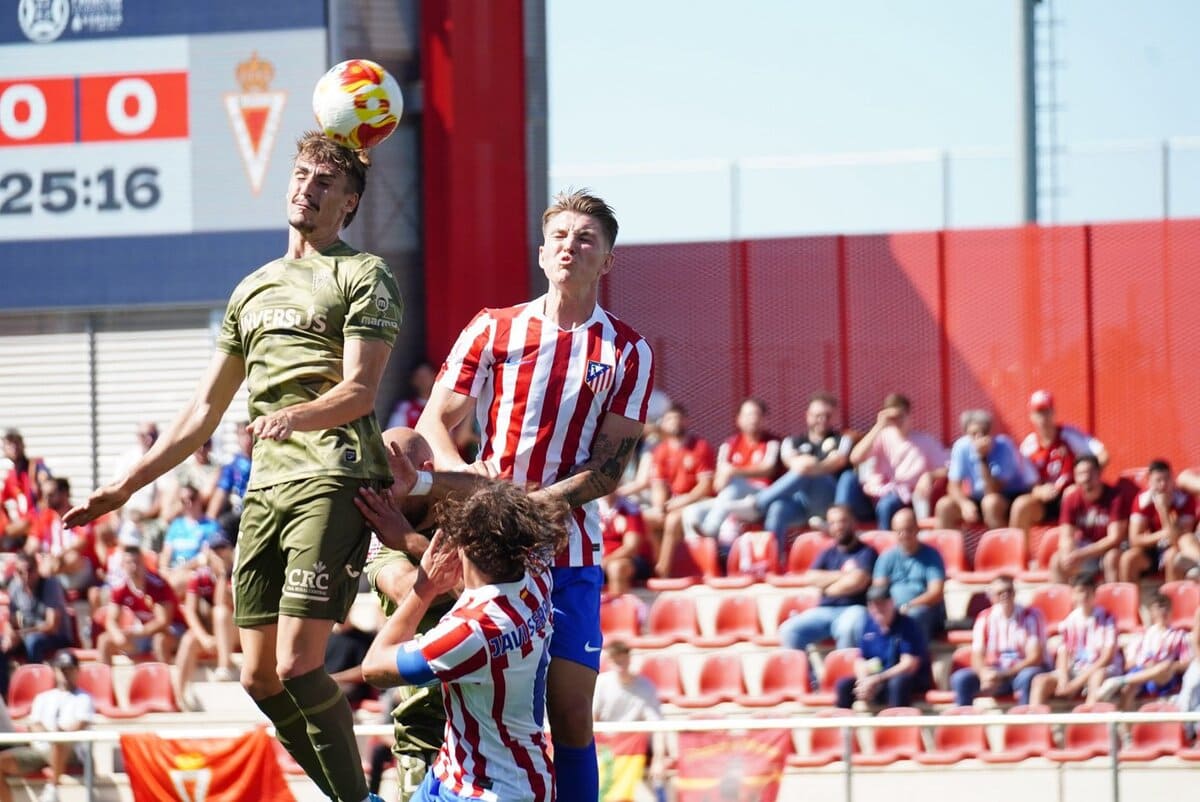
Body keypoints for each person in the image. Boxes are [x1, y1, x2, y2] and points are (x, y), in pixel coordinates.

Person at [65, 131, 403, 802]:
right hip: (267, 489)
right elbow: (202, 413)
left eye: (323, 183)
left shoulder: (363, 273)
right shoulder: (252, 290)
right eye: (300, 175)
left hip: (332, 476)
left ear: (349, 204)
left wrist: (295, 416)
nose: (306, 187)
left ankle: (356, 800)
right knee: (256, 680)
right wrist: (123, 487)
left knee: (300, 665)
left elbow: (362, 389)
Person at [416, 189, 653, 802]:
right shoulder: (493, 327)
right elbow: (434, 424)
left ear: (607, 261)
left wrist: (537, 508)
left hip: (569, 548)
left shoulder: (628, 350)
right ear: (542, 252)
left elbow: (612, 466)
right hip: (493, 550)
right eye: (560, 237)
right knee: (480, 707)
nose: (570, 247)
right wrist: (475, 497)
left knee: (571, 714)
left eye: (586, 239)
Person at [361, 481, 568, 802]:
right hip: (463, 774)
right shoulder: (537, 579)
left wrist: (425, 586)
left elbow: (374, 667)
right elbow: (477, 588)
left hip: (490, 792)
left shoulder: (470, 631)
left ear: (465, 547)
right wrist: (413, 542)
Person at [727, 392, 852, 560]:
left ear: (833, 418)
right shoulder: (791, 442)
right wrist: (809, 466)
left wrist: (810, 466)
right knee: (777, 508)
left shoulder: (842, 439)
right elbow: (790, 462)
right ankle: (773, 561)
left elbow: (835, 463)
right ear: (807, 416)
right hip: (800, 504)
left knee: (807, 472)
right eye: (817, 415)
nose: (822, 420)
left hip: (827, 503)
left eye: (827, 416)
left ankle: (757, 504)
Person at [679, 398, 779, 553]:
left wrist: (734, 471)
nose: (752, 419)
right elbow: (719, 484)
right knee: (691, 512)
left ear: (765, 419)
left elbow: (768, 468)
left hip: (759, 499)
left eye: (756, 415)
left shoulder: (773, 442)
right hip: (730, 500)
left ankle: (710, 530)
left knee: (734, 486)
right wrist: (724, 477)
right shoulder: (729, 445)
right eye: (747, 415)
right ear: (738, 419)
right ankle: (701, 559)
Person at [1009, 389, 1108, 547]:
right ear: (1031, 417)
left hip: (1074, 496)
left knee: (1070, 493)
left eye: (1047, 412)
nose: (1043, 418)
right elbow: (1030, 484)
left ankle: (1071, 550)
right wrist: (1039, 491)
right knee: (1021, 505)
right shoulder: (1029, 446)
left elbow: (1102, 455)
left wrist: (1088, 482)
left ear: (1053, 412)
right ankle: (1019, 559)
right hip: (1046, 500)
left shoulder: (1069, 435)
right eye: (1039, 413)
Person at [840, 393, 947, 529]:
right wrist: (879, 426)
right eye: (893, 417)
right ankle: (839, 524)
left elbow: (948, 468)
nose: (897, 421)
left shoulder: (925, 441)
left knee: (887, 504)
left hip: (901, 500)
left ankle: (884, 545)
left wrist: (929, 475)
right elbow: (855, 458)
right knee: (848, 478)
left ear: (909, 415)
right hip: (872, 496)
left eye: (901, 416)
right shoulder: (881, 436)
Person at [777, 504, 876, 651]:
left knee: (847, 629)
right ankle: (808, 674)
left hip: (854, 608)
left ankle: (845, 672)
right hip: (824, 610)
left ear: (853, 522)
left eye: (842, 521)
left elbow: (857, 582)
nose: (838, 527)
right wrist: (844, 575)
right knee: (789, 630)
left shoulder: (866, 552)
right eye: (833, 523)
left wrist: (828, 586)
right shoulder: (828, 553)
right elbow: (811, 578)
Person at [0, 651, 93, 802]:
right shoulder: (43, 697)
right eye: (61, 669)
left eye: (69, 669)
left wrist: (53, 735)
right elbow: (34, 724)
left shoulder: (85, 698)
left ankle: (53, 789)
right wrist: (51, 734)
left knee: (59, 741)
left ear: (77, 671)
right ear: (55, 671)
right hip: (41, 749)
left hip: (72, 751)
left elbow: (78, 726)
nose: (65, 674)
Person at [950, 574, 1047, 706]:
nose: (1005, 595)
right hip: (995, 672)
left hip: (1018, 671)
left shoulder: (1031, 616)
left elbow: (1035, 658)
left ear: (1014, 593)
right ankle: (962, 722)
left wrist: (1003, 674)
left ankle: (1024, 721)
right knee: (961, 678)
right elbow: (977, 655)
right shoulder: (985, 617)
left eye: (1009, 591)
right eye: (1000, 592)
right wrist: (984, 673)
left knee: (1029, 676)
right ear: (991, 596)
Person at [644, 405, 716, 578]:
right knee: (646, 519)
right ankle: (654, 562)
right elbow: (658, 485)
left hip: (699, 501)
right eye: (669, 419)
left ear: (686, 420)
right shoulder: (661, 450)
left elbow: (705, 486)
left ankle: (663, 572)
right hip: (673, 503)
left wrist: (682, 501)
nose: (674, 423)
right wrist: (660, 507)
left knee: (672, 521)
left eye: (678, 418)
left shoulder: (700, 446)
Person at [1028, 573, 1119, 707]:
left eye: (1088, 591)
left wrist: (1077, 683)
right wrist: (1064, 679)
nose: (1084, 596)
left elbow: (1107, 657)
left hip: (1099, 669)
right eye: (1080, 591)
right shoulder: (1070, 621)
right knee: (1040, 681)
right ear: (1074, 595)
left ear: (1094, 593)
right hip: (1076, 669)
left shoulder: (1107, 619)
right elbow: (1063, 653)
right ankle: (1035, 724)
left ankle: (1089, 720)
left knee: (1097, 677)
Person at [835, 585, 931, 710]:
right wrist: (864, 681)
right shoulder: (868, 624)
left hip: (904, 679)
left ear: (892, 603)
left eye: (882, 604)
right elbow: (861, 659)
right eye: (874, 605)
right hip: (877, 678)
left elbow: (909, 664)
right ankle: (844, 727)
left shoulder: (908, 625)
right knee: (844, 685)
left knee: (898, 682)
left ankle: (897, 726)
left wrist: (877, 679)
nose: (878, 609)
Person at [173, 533, 238, 710]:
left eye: (222, 548)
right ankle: (178, 696)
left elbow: (222, 602)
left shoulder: (237, 574)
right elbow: (190, 611)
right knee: (189, 640)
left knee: (220, 612)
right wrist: (203, 638)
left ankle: (225, 666)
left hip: (236, 631)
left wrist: (223, 574)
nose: (219, 553)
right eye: (214, 549)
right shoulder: (199, 576)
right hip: (213, 633)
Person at [593, 641, 667, 796]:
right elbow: (591, 720)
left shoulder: (645, 687)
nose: (620, 662)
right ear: (609, 661)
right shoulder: (601, 684)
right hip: (606, 752)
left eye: (622, 657)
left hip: (632, 755)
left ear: (629, 658)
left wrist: (658, 759)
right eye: (615, 659)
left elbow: (657, 725)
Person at [935, 409, 1029, 531]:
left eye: (984, 433)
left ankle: (1001, 547)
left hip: (1008, 498)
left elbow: (992, 490)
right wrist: (963, 504)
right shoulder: (961, 446)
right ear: (966, 434)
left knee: (990, 503)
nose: (979, 438)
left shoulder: (1004, 445)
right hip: (980, 498)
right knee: (944, 506)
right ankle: (947, 549)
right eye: (974, 434)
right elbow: (953, 486)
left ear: (991, 431)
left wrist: (982, 458)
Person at [1096, 592, 1191, 709]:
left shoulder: (1179, 635)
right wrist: (1147, 665)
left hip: (1164, 677)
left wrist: (1169, 666)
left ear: (1171, 610)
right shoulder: (1143, 635)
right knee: (1130, 686)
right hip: (1143, 672)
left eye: (1166, 607)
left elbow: (1186, 662)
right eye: (1159, 608)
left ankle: (1118, 681)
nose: (1163, 611)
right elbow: (1129, 664)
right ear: (1152, 612)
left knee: (1164, 666)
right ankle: (1122, 725)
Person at [1050, 455, 1131, 584]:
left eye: (1089, 473)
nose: (1085, 478)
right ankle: (1063, 602)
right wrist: (1068, 552)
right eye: (1080, 474)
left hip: (1112, 548)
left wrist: (1081, 554)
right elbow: (1065, 535)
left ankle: (1112, 600)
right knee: (1057, 560)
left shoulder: (1115, 497)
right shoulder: (1071, 498)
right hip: (1087, 547)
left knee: (1111, 558)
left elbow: (1114, 538)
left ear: (1099, 473)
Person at [96, 545, 182, 664]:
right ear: (123, 565)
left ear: (143, 563)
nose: (133, 567)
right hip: (144, 631)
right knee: (105, 641)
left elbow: (163, 621)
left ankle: (165, 679)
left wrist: (137, 632)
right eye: (129, 563)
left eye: (137, 562)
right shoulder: (121, 587)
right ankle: (105, 681)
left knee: (159, 640)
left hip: (172, 628)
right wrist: (118, 635)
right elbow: (111, 620)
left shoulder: (158, 585)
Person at [1, 553, 71, 698]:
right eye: (21, 572)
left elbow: (51, 625)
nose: (26, 576)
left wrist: (21, 634)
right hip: (28, 634)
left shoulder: (50, 584)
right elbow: (11, 620)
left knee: (33, 642)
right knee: (2, 644)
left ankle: (34, 691)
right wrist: (10, 634)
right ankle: (5, 694)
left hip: (56, 636)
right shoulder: (15, 586)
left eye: (30, 570)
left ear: (37, 569)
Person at [871, 507, 946, 638]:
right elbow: (879, 591)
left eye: (908, 530)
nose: (904, 535)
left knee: (914, 616)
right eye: (899, 531)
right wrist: (891, 610)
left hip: (925, 609)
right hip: (893, 609)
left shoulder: (932, 556)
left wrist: (909, 605)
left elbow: (936, 592)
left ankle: (915, 655)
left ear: (917, 529)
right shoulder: (886, 557)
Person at [1121, 459, 1198, 583]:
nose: (1163, 485)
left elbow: (1177, 540)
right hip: (1151, 550)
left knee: (1172, 556)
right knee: (1128, 558)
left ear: (1172, 479)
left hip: (1175, 548)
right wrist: (1161, 535)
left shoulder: (1184, 500)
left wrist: (1163, 509)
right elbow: (1134, 539)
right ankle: (1127, 600)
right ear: (1149, 481)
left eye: (1166, 479)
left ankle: (1173, 599)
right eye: (1158, 480)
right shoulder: (1142, 501)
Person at [159, 484, 221, 596]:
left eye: (191, 498)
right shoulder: (176, 525)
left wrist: (180, 570)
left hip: (196, 572)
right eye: (183, 501)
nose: (188, 503)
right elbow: (165, 553)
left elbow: (204, 557)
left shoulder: (210, 526)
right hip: (174, 571)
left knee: (173, 583)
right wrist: (164, 570)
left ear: (199, 499)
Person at [1, 429, 51, 552]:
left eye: (16, 443)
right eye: (9, 444)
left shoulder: (35, 466)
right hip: (22, 527)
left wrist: (43, 480)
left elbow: (47, 486)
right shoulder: (11, 476)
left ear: (23, 445)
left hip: (38, 522)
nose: (14, 447)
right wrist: (6, 521)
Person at [599, 490, 653, 596]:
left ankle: (616, 609)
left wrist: (604, 562)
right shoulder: (592, 508)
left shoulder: (630, 508)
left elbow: (631, 548)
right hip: (601, 560)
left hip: (632, 560)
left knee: (616, 568)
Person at [386, 360, 436, 429]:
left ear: (434, 377)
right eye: (419, 377)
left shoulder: (442, 406)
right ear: (413, 380)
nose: (423, 380)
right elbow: (394, 432)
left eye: (426, 376)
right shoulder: (405, 407)